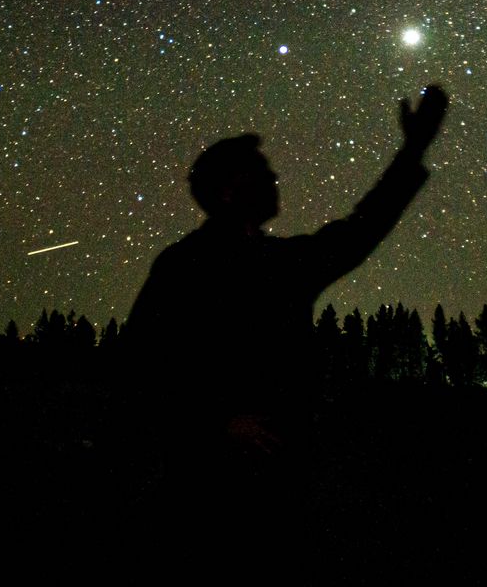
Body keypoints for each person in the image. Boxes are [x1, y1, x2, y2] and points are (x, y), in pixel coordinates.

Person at [126, 85, 449, 441]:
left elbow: (360, 230)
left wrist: (413, 151)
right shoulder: (186, 267)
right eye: (261, 172)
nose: (274, 178)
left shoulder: (279, 262)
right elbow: (139, 370)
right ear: (229, 191)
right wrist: (217, 424)